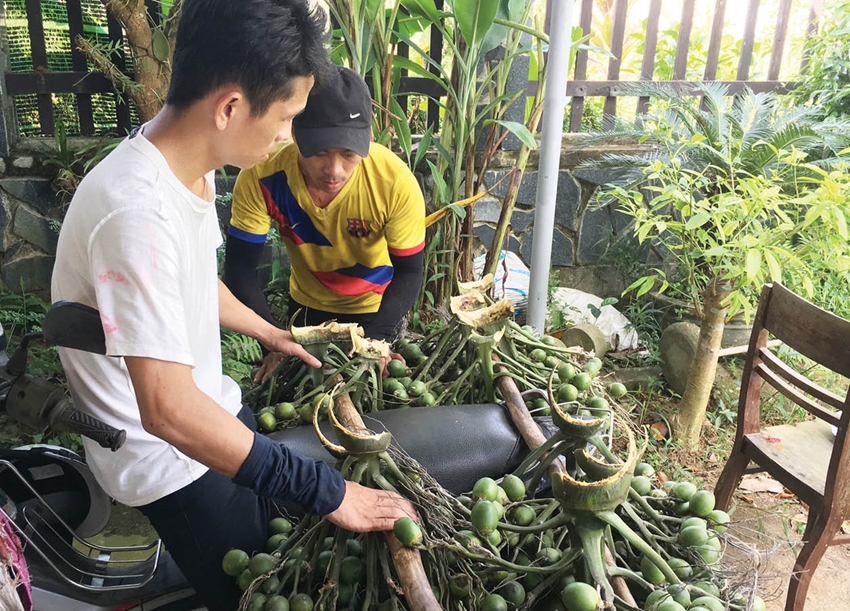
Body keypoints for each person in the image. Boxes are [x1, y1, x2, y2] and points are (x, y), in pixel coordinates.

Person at [50, 2, 415, 610]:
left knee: (271, 542)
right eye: (287, 117)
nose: (285, 137)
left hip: (210, 409)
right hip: (169, 458)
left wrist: (269, 332)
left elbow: (193, 282)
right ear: (230, 107)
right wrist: (326, 490)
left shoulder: (185, 168)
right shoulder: (136, 211)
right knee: (253, 593)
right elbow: (166, 410)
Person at [223, 66, 426, 380]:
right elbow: (239, 270)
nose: (334, 170)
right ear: (295, 134)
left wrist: (380, 337)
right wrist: (271, 342)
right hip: (307, 310)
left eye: (348, 153)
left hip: (376, 307)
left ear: (368, 139)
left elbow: (410, 271)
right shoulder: (262, 174)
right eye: (319, 152)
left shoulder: (394, 182)